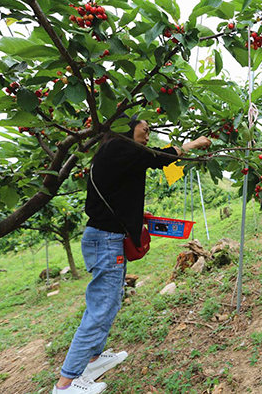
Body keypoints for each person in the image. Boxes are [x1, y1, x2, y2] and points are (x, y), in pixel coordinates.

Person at [53, 118, 211, 394]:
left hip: (107, 236)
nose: (148, 134)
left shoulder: (118, 153)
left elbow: (118, 195)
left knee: (110, 301)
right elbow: (161, 158)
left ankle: (93, 359)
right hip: (105, 240)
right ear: (127, 127)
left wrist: (136, 217)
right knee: (101, 307)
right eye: (145, 128)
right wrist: (194, 144)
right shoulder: (119, 146)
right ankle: (65, 384)